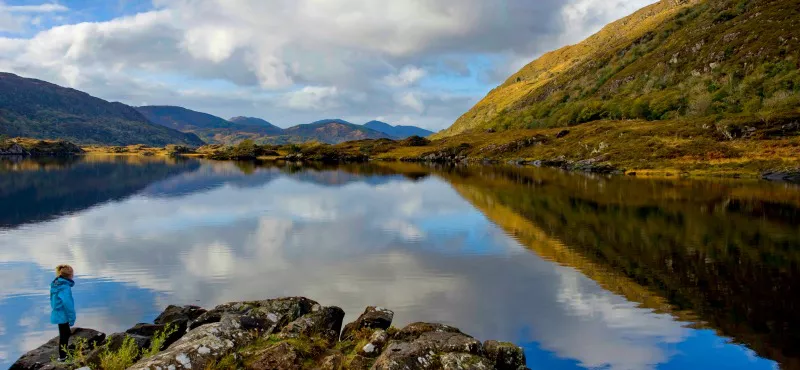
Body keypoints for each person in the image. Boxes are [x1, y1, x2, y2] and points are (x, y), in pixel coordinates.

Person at [50, 264, 76, 362]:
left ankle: (64, 353)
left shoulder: (56, 284)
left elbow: (52, 300)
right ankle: (62, 357)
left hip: (57, 312)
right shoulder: (65, 287)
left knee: (66, 333)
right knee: (64, 335)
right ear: (70, 275)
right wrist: (72, 318)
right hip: (63, 314)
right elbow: (67, 303)